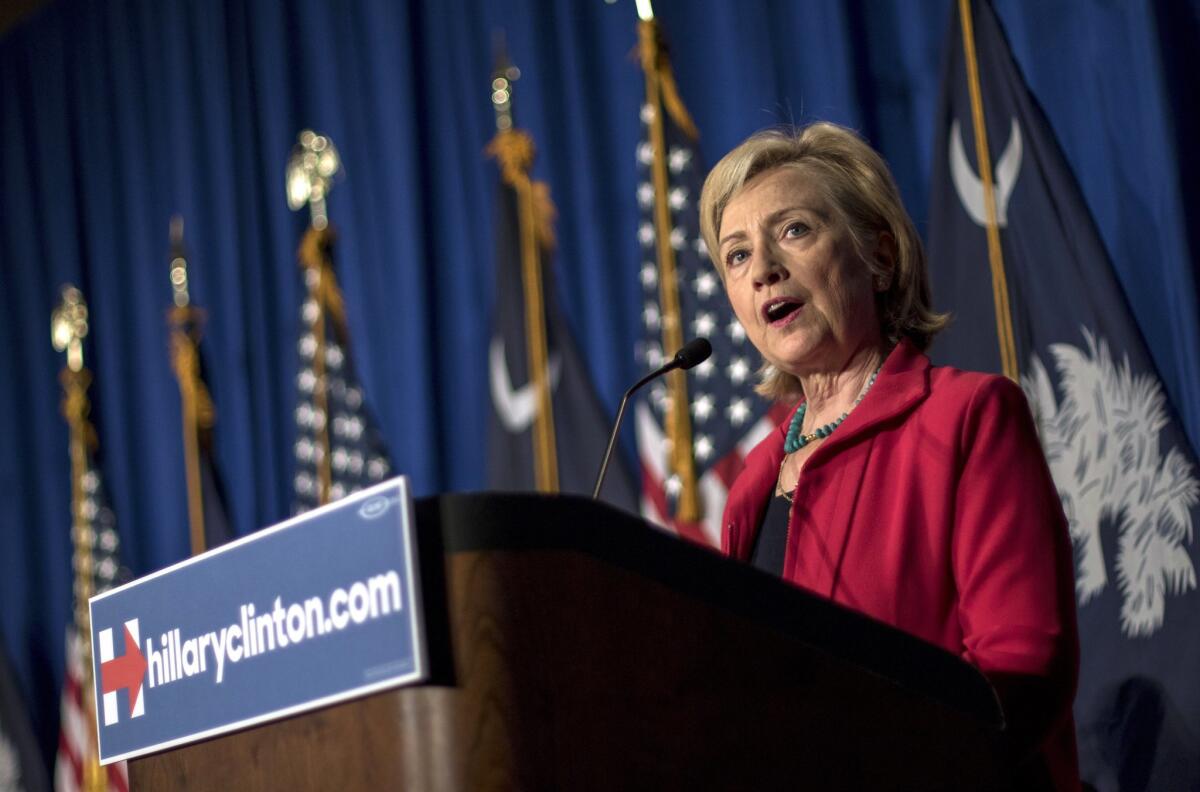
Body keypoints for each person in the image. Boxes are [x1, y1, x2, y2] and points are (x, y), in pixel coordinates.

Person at [698, 123, 1079, 791]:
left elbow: (1022, 665)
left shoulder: (967, 417)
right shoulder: (750, 486)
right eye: (736, 255)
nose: (762, 269)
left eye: (793, 231)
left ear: (879, 254)